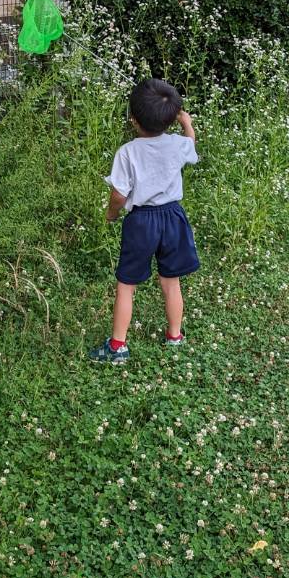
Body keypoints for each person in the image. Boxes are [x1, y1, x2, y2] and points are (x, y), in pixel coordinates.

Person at [89, 77, 200, 365]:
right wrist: (186, 122)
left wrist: (112, 214)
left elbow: (118, 193)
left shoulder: (127, 152)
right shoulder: (177, 144)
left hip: (141, 221)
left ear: (134, 120)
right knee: (171, 282)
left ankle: (117, 347)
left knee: (127, 285)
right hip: (173, 217)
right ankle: (175, 337)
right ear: (170, 118)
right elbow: (191, 144)